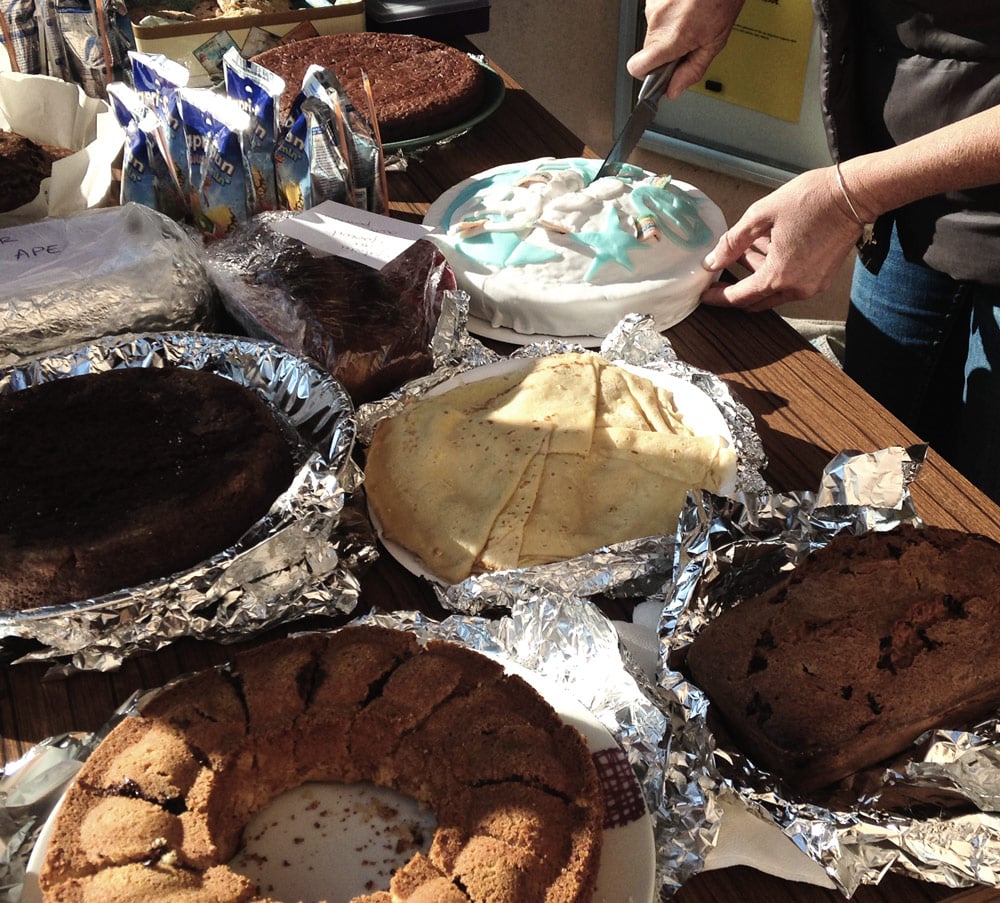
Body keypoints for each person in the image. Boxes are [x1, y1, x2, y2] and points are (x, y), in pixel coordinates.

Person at [627, 0, 1000, 505]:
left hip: (888, 184)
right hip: (906, 195)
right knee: (868, 465)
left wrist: (853, 197)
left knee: (981, 504)